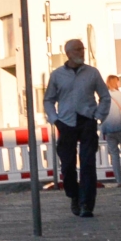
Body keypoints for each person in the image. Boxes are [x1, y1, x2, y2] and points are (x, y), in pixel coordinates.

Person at [42, 39, 110, 216]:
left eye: (83, 49)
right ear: (68, 53)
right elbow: (48, 99)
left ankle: (87, 204)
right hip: (65, 122)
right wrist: (54, 119)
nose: (82, 52)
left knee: (88, 163)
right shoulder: (57, 75)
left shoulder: (92, 73)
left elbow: (105, 96)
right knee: (67, 165)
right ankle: (74, 195)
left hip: (86, 119)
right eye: (78, 50)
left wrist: (98, 115)